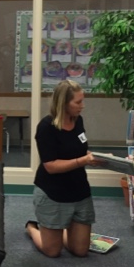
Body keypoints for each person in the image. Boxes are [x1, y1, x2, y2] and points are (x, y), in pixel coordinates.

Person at [26, 79, 99, 257]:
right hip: (53, 192)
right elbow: (50, 166)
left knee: (80, 251)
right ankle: (32, 227)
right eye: (78, 102)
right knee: (52, 251)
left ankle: (61, 230)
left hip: (79, 190)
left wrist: (96, 158)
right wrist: (83, 160)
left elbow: (78, 149)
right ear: (64, 103)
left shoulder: (78, 121)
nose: (82, 106)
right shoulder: (46, 127)